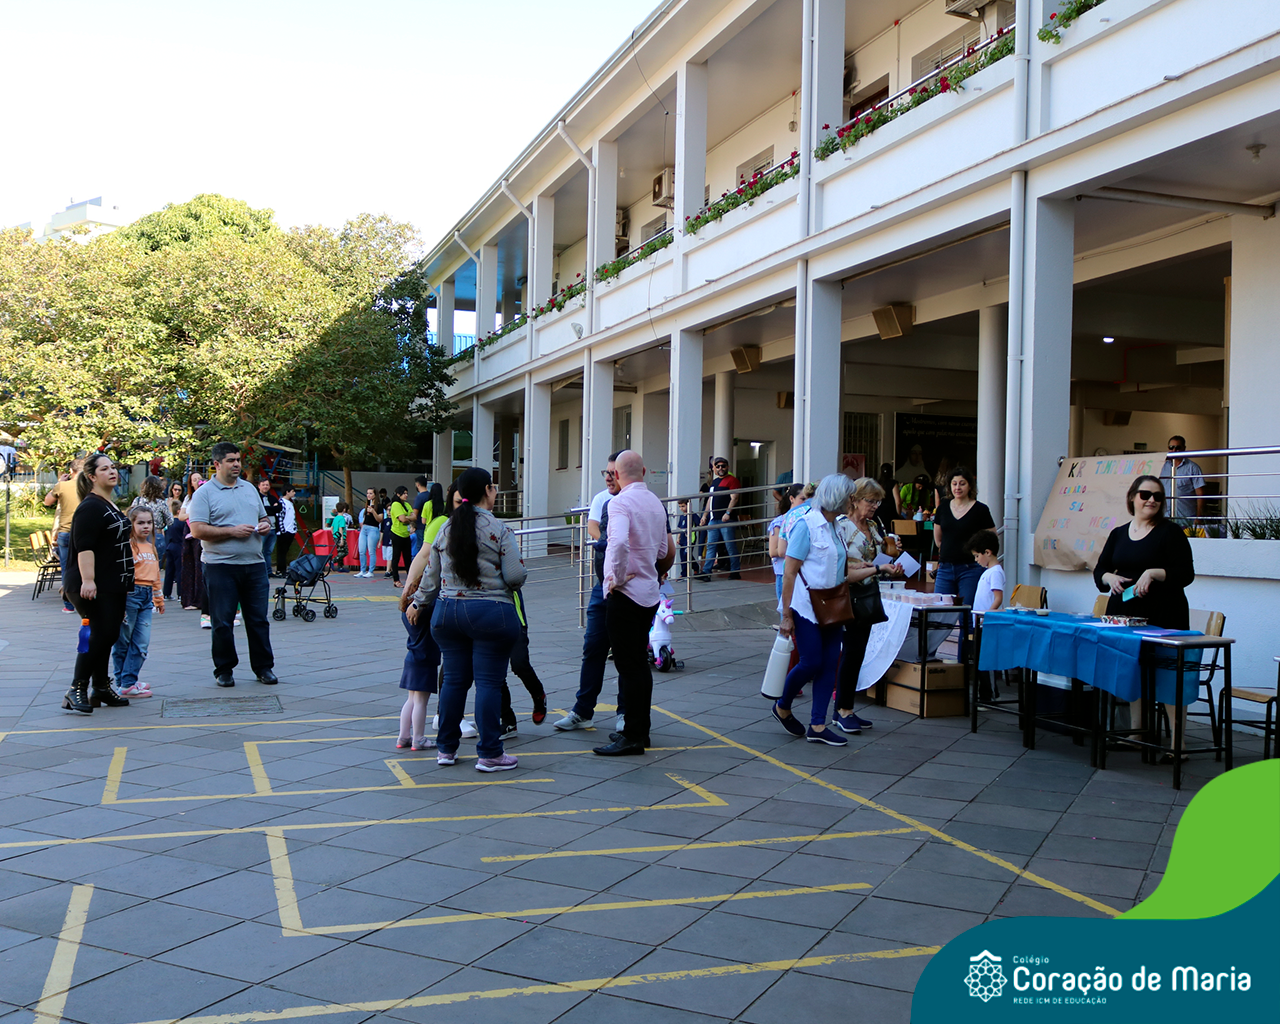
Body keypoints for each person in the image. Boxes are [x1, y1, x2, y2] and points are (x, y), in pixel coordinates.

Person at [411, 467, 526, 772]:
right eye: (493, 487)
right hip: (491, 614)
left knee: (453, 680)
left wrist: (418, 603)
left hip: (447, 613)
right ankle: (490, 753)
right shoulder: (499, 528)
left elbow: (431, 577)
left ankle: (446, 749)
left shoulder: (446, 528)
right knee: (488, 682)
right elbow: (515, 576)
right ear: (487, 490)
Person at [1094, 475, 1195, 759]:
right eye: (1145, 494)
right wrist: (1109, 577)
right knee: (1133, 671)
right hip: (1125, 615)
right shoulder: (1118, 534)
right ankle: (1137, 734)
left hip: (1164, 615)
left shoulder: (1170, 532)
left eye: (1158, 496)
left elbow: (1186, 574)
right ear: (1132, 497)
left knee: (1168, 677)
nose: (1151, 500)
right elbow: (1099, 571)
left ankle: (1177, 744)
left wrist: (1153, 573)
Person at [593, 450, 674, 756]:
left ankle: (632, 736)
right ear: (644, 471)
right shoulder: (655, 502)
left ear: (616, 474)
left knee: (629, 667)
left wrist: (614, 579)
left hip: (626, 594)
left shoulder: (619, 502)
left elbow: (617, 543)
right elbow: (664, 549)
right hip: (649, 593)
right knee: (639, 664)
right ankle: (640, 730)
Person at [772, 474, 861, 746]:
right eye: (850, 496)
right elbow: (789, 572)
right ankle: (782, 705)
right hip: (805, 605)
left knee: (830, 662)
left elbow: (839, 566)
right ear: (837, 497)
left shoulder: (838, 526)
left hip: (832, 605)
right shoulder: (806, 525)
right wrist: (786, 614)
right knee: (811, 661)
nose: (853, 501)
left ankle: (818, 725)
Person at [186, 442, 278, 688]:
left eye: (238, 459)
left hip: (255, 564)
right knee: (222, 622)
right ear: (217, 464)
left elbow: (263, 517)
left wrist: (265, 525)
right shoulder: (204, 493)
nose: (237, 464)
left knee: (258, 620)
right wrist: (231, 531)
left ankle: (263, 667)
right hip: (220, 566)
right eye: (231, 460)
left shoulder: (249, 488)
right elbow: (197, 530)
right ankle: (224, 669)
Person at [554, 451, 624, 732]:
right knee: (593, 647)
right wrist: (611, 541)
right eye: (605, 473)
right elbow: (593, 527)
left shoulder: (639, 502)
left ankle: (626, 714)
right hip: (602, 586)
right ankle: (583, 711)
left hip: (629, 590)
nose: (608, 478)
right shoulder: (602, 499)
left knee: (626, 654)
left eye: (613, 473)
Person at [60, 453, 133, 714]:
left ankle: (100, 687)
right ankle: (76, 688)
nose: (112, 471)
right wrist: (88, 580)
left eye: (113, 467)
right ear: (91, 476)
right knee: (100, 634)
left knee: (107, 635)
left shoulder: (108, 504)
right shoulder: (91, 506)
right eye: (104, 469)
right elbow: (85, 546)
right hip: (92, 583)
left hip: (113, 583)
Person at [832, 478, 905, 733]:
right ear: (854, 499)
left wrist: (891, 557)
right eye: (870, 501)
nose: (874, 506)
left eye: (878, 502)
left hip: (867, 594)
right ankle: (843, 710)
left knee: (857, 652)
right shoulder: (841, 526)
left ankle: (844, 708)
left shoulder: (873, 526)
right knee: (851, 652)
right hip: (847, 595)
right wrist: (877, 567)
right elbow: (839, 567)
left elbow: (878, 558)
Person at [112, 506, 165, 698]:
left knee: (141, 643)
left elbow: (156, 575)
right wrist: (120, 601)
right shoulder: (128, 546)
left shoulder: (151, 547)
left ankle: (127, 681)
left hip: (146, 597)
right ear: (131, 524)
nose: (146, 526)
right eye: (140, 523)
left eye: (149, 522)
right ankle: (125, 683)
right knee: (123, 642)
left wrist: (159, 598)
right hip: (130, 596)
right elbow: (120, 575)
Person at [932, 466, 996, 607]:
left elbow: (991, 537)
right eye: (954, 484)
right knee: (938, 609)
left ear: (970, 486)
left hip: (971, 568)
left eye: (962, 483)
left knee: (967, 610)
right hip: (945, 567)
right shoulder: (942, 508)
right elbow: (938, 540)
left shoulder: (980, 509)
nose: (958, 488)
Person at [397, 566, 442, 752]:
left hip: (412, 656)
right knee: (421, 702)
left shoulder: (407, 607)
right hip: (426, 657)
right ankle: (418, 738)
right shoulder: (428, 607)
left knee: (411, 699)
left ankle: (403, 736)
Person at [44, 457, 85, 613]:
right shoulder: (89, 486)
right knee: (85, 567)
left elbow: (47, 501)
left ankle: (69, 605)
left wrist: (59, 482)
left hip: (65, 531)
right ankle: (85, 601)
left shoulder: (62, 486)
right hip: (83, 532)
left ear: (70, 471)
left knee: (67, 569)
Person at [697, 456, 741, 580]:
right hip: (713, 519)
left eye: (723, 466)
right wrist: (704, 516)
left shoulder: (732, 480)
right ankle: (706, 572)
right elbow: (710, 500)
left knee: (729, 546)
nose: (720, 468)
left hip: (726, 519)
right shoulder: (714, 482)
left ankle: (735, 571)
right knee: (711, 546)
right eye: (718, 466)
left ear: (728, 467)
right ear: (714, 468)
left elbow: (735, 498)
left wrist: (727, 513)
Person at [769, 484, 806, 606]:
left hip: (802, 571)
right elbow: (773, 551)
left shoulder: (808, 519)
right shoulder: (780, 521)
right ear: (792, 499)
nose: (805, 503)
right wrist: (795, 548)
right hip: (784, 572)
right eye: (802, 499)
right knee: (786, 606)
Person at [129, 475, 173, 573]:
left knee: (138, 565)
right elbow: (170, 521)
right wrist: (169, 508)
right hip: (156, 535)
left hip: (138, 535)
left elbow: (130, 516)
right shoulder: (161, 503)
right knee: (154, 567)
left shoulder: (138, 500)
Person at [1160, 435, 1206, 525]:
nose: (1174, 450)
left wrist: (1198, 517)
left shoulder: (1192, 468)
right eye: (1171, 447)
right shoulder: (1162, 466)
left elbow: (1200, 494)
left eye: (1177, 448)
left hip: (1186, 519)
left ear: (1184, 448)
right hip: (1164, 517)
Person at [387, 485, 415, 587]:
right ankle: (396, 580)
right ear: (398, 494)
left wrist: (407, 518)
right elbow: (402, 519)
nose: (406, 495)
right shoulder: (395, 505)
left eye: (407, 493)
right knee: (396, 557)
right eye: (404, 493)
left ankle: (411, 579)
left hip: (406, 534)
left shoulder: (406, 504)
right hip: (397, 534)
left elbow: (414, 516)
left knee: (408, 558)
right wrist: (408, 518)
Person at [162, 491, 185, 601]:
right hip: (179, 546)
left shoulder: (169, 523)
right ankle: (180, 593)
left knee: (169, 570)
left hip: (169, 546)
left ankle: (166, 593)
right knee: (179, 570)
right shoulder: (182, 523)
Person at [355, 487, 382, 577]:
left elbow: (380, 519)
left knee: (371, 551)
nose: (368, 495)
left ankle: (370, 571)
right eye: (367, 493)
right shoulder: (367, 505)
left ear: (375, 495)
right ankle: (362, 570)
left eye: (371, 493)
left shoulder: (379, 506)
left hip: (373, 529)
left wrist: (373, 511)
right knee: (362, 550)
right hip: (364, 528)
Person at [258, 479, 282, 576]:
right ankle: (260, 572)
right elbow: (260, 510)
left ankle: (268, 572)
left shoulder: (272, 498)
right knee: (259, 551)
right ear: (259, 486)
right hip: (261, 529)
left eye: (267, 485)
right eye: (263, 485)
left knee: (268, 551)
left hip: (273, 528)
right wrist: (272, 508)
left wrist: (268, 509)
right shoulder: (257, 498)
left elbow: (279, 508)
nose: (265, 487)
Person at [274, 485, 298, 577]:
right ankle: (280, 569)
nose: (294, 493)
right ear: (287, 492)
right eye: (292, 491)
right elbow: (280, 517)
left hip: (290, 530)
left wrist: (294, 528)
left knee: (285, 551)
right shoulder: (281, 503)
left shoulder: (290, 503)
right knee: (281, 551)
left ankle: (283, 569)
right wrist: (282, 530)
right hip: (284, 530)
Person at [410, 475, 431, 557]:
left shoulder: (419, 497)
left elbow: (415, 514)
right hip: (430, 526)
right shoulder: (431, 496)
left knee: (420, 549)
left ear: (418, 485)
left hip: (420, 526)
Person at [329, 502, 352, 571]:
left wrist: (333, 535)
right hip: (341, 537)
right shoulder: (342, 518)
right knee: (345, 552)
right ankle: (333, 561)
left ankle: (340, 566)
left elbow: (331, 528)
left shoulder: (335, 518)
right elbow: (340, 528)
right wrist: (342, 539)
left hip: (335, 537)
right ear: (344, 509)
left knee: (340, 551)